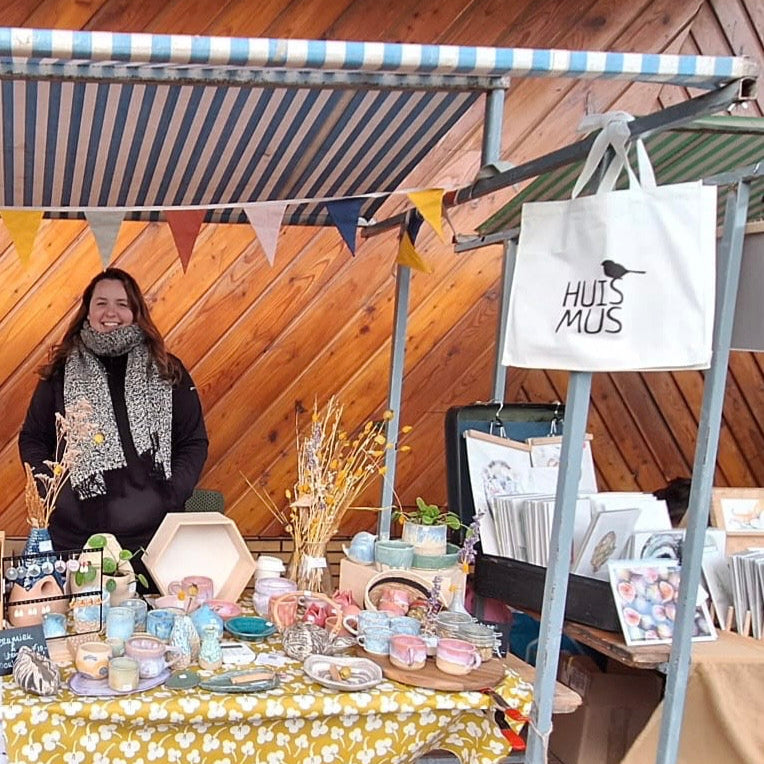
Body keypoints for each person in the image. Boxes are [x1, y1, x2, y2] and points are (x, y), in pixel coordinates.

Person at [19, 268, 209, 588]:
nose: (111, 312)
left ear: (136, 312)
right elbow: (33, 439)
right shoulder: (61, 373)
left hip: (151, 542)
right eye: (101, 303)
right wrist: (55, 494)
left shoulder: (166, 370)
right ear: (88, 312)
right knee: (79, 617)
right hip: (74, 541)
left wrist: (171, 493)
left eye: (122, 304)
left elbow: (193, 441)